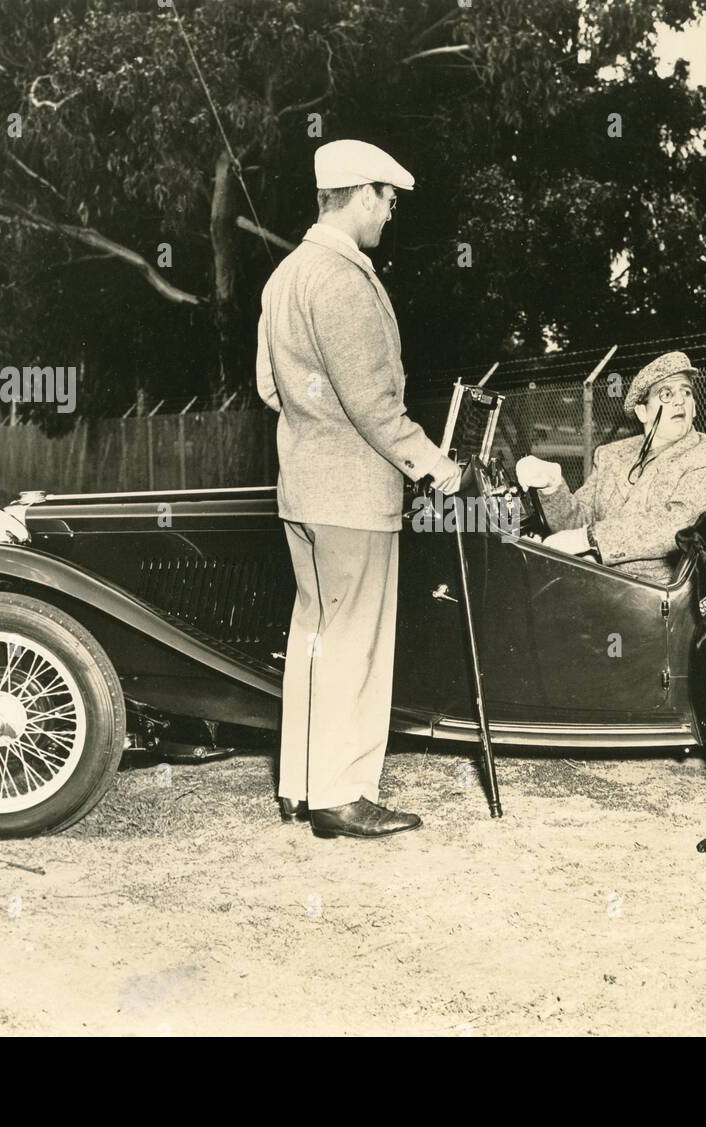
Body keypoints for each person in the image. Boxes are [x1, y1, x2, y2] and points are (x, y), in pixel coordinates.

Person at [255, 139, 461, 839]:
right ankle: (342, 793)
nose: (391, 215)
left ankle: (301, 783)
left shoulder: (285, 275)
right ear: (362, 194)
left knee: (314, 635)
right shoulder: (343, 277)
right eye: (388, 200)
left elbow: (266, 387)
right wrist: (435, 465)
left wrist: (315, 426)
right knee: (356, 644)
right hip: (353, 497)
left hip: (303, 489)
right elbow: (375, 404)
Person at [516, 351, 706, 584]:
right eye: (666, 394)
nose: (680, 400)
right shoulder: (611, 455)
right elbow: (576, 524)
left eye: (687, 392)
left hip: (656, 602)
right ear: (642, 411)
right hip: (591, 581)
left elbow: (676, 524)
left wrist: (589, 540)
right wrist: (553, 487)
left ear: (694, 407)